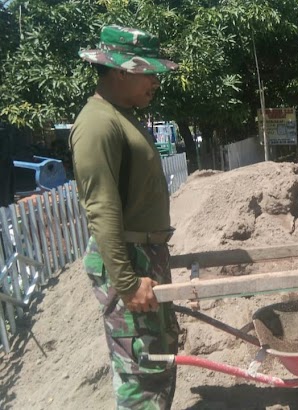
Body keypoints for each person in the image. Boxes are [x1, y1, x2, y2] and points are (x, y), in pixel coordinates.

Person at [70, 25, 180, 409]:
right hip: (129, 260)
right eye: (147, 72)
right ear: (119, 70)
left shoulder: (123, 115)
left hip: (144, 255)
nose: (155, 81)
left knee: (159, 359)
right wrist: (128, 282)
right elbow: (100, 209)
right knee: (142, 369)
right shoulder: (98, 123)